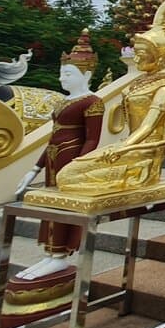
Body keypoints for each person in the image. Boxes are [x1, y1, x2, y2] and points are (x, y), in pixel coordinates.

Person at [14, 30, 103, 279]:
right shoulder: (63, 102)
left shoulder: (92, 101)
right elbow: (53, 137)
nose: (62, 78)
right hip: (54, 157)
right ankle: (50, 255)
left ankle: (61, 255)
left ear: (86, 74)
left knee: (66, 208)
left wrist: (77, 166)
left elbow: (93, 139)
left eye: (68, 74)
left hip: (71, 159)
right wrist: (34, 168)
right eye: (62, 73)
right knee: (51, 207)